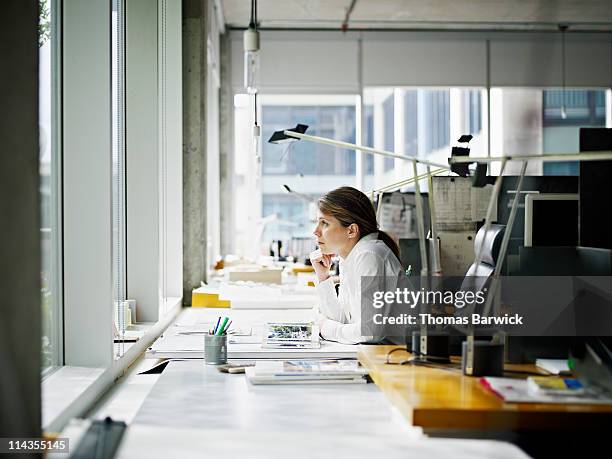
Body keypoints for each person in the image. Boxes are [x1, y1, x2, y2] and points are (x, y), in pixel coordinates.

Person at [311, 186, 403, 344]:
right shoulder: (350, 257)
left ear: (351, 230)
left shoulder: (369, 255)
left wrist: (325, 328)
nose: (316, 231)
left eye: (324, 223)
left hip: (394, 358)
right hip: (380, 354)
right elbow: (344, 320)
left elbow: (369, 332)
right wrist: (324, 277)